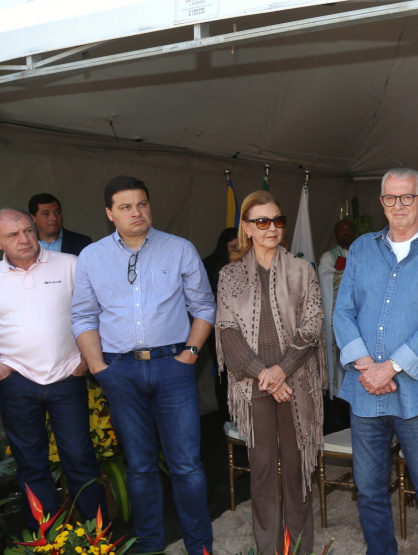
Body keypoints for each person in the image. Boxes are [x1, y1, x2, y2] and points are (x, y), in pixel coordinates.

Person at [70, 175, 214, 555]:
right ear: (109, 214)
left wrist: (190, 356)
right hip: (120, 372)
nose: (137, 212)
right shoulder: (92, 257)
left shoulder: (179, 248)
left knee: (187, 465)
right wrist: (99, 367)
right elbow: (83, 316)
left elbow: (203, 307)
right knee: (139, 466)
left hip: (174, 367)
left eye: (142, 203)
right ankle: (150, 544)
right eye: (126, 206)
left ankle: (200, 545)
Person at [333, 167, 418, 555]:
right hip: (366, 391)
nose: (398, 205)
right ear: (382, 203)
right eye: (390, 198)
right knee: (370, 489)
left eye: (407, 197)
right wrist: (365, 366)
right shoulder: (361, 248)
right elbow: (342, 312)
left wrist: (387, 369)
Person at [215, 191, 326, 553]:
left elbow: (312, 326)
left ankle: (300, 548)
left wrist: (281, 371)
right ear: (246, 227)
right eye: (261, 222)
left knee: (297, 471)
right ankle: (268, 549)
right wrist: (266, 374)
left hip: (297, 383)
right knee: (262, 473)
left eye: (277, 220)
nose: (271, 228)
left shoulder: (302, 269)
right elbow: (227, 333)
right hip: (253, 385)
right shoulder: (229, 275)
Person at [0, 208, 107, 530]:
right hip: (16, 382)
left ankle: (98, 537)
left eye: (29, 231)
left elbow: (100, 312)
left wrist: (87, 359)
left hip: (66, 378)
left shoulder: (70, 265)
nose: (25, 239)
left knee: (79, 458)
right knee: (31, 464)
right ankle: (47, 539)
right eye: (13, 235)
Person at [318, 219, 355, 433]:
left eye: (349, 229)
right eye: (342, 230)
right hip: (336, 318)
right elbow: (325, 277)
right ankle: (337, 410)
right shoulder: (328, 257)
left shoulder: (361, 252)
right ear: (336, 235)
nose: (346, 232)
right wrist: (351, 275)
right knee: (337, 362)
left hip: (357, 319)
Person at [203, 227, 238, 420]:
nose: (236, 250)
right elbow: (204, 300)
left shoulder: (247, 264)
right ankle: (227, 417)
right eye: (233, 247)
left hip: (242, 328)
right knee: (223, 373)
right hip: (217, 328)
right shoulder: (209, 265)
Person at [28, 193, 92, 256]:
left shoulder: (83, 243)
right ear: (33, 218)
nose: (54, 218)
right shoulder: (26, 244)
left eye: (57, 212)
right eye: (46, 214)